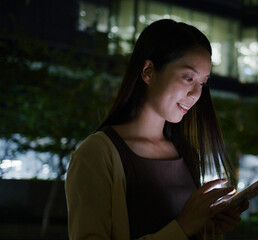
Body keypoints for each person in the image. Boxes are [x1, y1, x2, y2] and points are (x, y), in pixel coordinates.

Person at [65, 19, 248, 240]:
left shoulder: (185, 151)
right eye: (188, 77)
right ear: (148, 71)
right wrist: (183, 227)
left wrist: (210, 225)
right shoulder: (97, 154)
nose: (196, 94)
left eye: (202, 83)